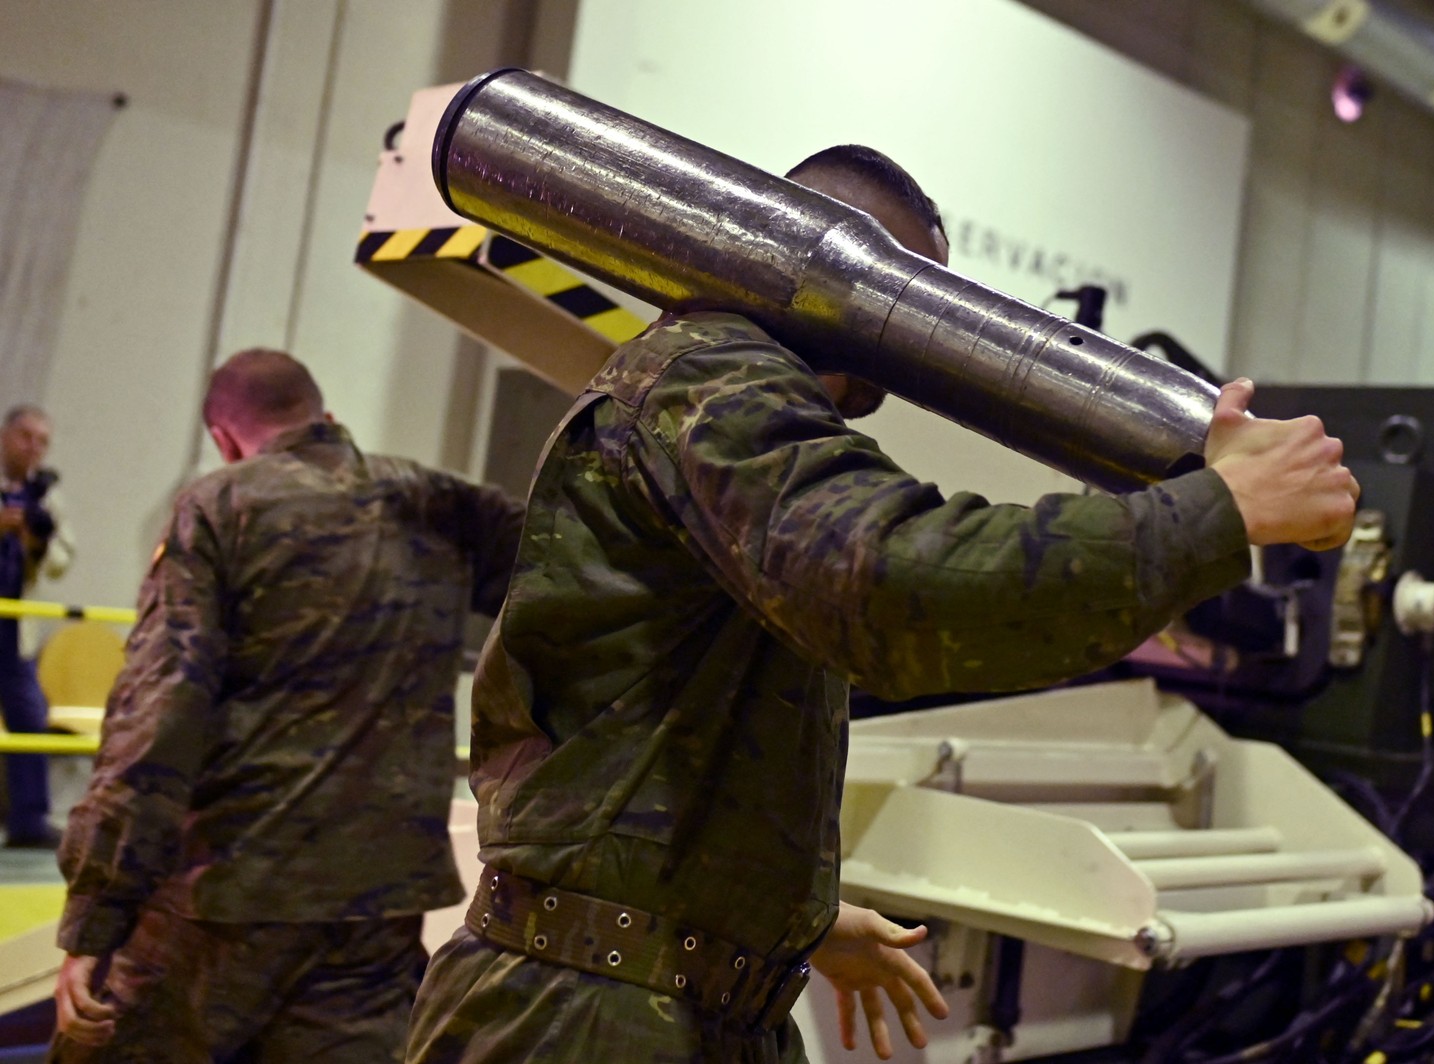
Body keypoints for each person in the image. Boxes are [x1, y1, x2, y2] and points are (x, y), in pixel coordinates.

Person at [405, 145, 1359, 1064]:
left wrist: (774, 924)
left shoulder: (720, 390)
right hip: (586, 1020)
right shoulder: (711, 377)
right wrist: (1220, 513)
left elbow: (669, 718)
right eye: (912, 290)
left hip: (653, 1000)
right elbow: (898, 588)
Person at [50, 349, 525, 1063]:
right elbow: (572, 577)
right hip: (377, 908)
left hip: (228, 895)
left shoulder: (222, 507)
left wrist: (96, 915)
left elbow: (160, 716)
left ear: (223, 437)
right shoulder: (437, 501)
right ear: (326, 417)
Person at [0, 403, 75, 849]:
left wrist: (34, 542)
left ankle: (30, 820)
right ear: (6, 436)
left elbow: (62, 559)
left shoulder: (46, 497)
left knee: (30, 717)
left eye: (43, 441)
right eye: (26, 437)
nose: (34, 448)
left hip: (15, 625)